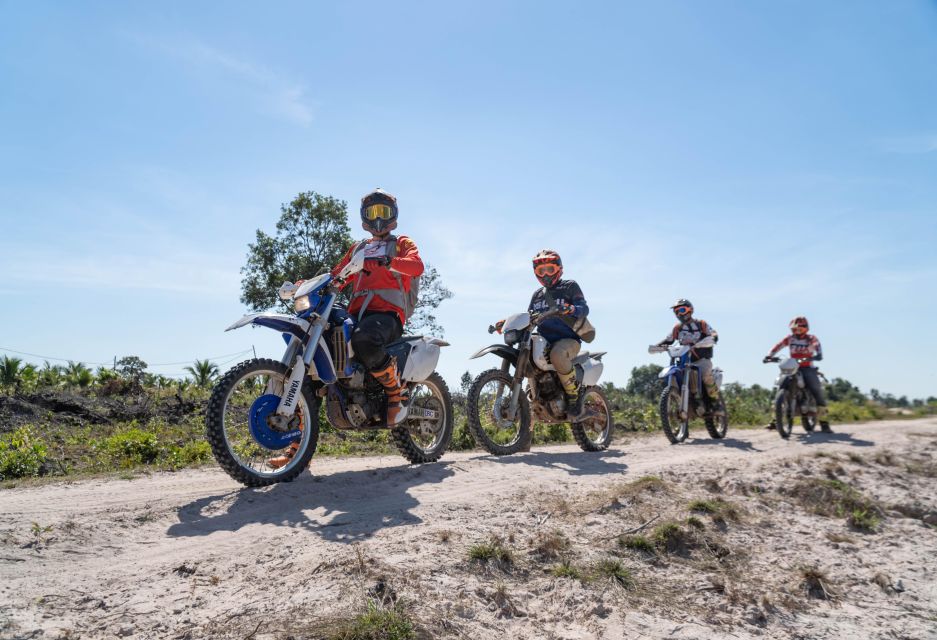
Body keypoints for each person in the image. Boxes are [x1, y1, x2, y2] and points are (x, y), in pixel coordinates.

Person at [269, 188, 423, 469]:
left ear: (394, 216)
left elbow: (416, 266)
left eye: (383, 212)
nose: (378, 219)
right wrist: (306, 283)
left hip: (387, 315)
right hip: (357, 314)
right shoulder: (358, 249)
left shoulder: (401, 243)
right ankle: (296, 451)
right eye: (372, 212)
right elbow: (336, 275)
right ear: (364, 217)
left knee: (365, 340)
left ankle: (396, 391)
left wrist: (388, 261)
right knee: (311, 369)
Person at [520, 249, 592, 420]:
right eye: (540, 271)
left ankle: (573, 396)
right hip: (543, 341)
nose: (545, 275)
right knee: (526, 352)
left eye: (549, 270)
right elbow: (528, 317)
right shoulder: (537, 295)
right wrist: (507, 322)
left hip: (568, 340)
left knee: (557, 354)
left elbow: (584, 308)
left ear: (558, 269)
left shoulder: (569, 286)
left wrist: (571, 308)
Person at [656, 299, 723, 416]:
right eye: (676, 312)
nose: (679, 314)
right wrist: (657, 346)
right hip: (683, 361)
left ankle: (716, 403)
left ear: (690, 310)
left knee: (706, 375)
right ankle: (679, 402)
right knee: (674, 376)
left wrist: (712, 338)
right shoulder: (677, 328)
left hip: (701, 360)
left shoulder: (701, 324)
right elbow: (669, 340)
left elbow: (713, 333)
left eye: (682, 310)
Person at [765, 316, 831, 432]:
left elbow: (818, 348)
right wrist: (769, 355)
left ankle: (824, 422)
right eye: (794, 328)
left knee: (816, 389)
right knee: (780, 387)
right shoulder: (790, 339)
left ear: (805, 328)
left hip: (807, 367)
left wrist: (818, 355)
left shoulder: (811, 338)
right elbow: (778, 346)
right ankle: (776, 420)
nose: (796, 331)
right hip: (792, 366)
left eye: (799, 328)